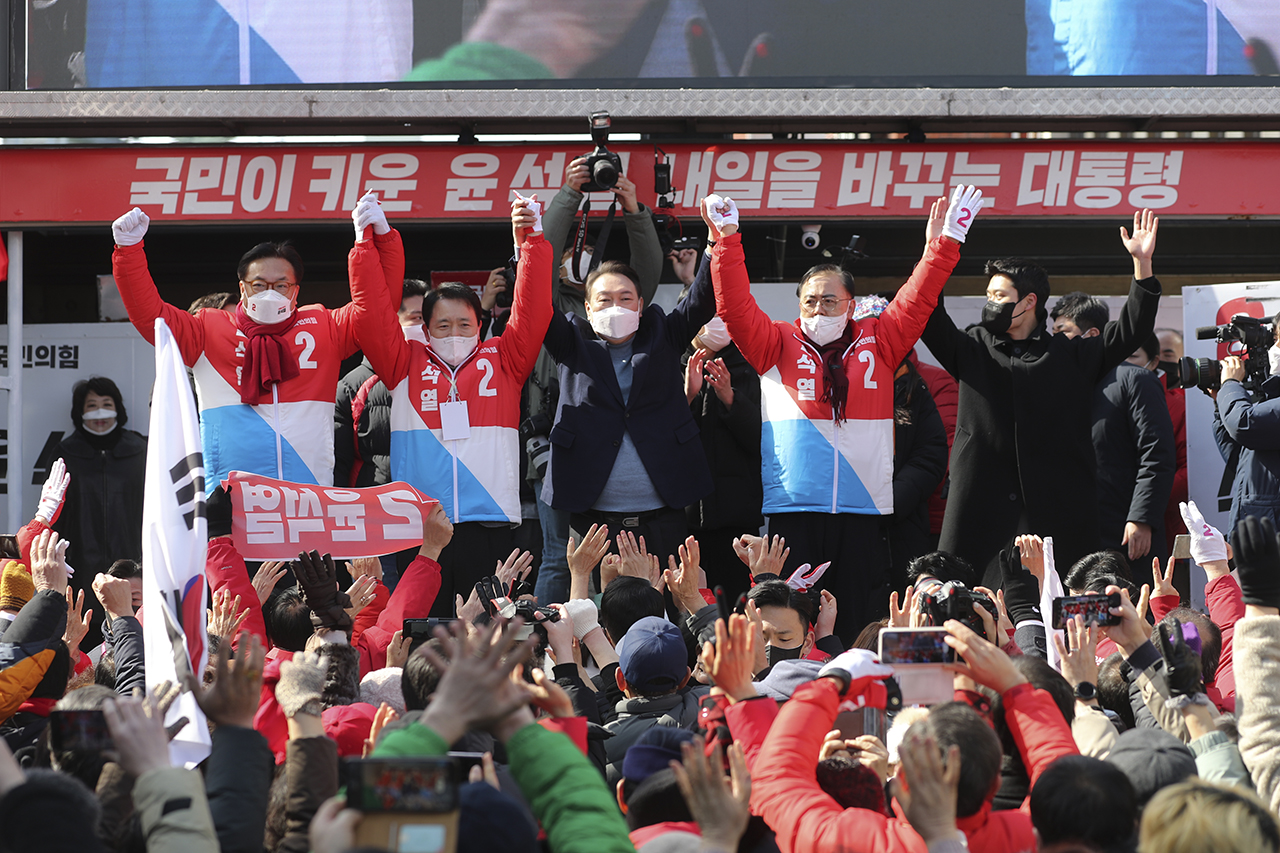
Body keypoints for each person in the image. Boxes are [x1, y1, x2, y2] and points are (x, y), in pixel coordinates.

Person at [709, 186, 981, 637]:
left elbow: (918, 299)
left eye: (829, 300)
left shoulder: (881, 341)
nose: (819, 308)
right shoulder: (775, 343)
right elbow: (734, 309)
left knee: (855, 615)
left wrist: (945, 242)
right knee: (790, 616)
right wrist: (727, 241)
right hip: (794, 508)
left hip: (862, 510)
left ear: (850, 305)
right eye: (810, 301)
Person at [920, 210, 1163, 587]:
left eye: (1000, 296)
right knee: (971, 597)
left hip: (1059, 508)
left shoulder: (1070, 354)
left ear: (1029, 301)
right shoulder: (973, 347)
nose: (991, 303)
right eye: (989, 295)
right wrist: (932, 254)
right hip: (980, 505)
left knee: (1063, 597)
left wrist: (1142, 265)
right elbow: (928, 314)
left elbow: (1132, 329)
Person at [109, 192, 404, 489]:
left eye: (281, 285)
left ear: (296, 291)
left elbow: (378, 311)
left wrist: (379, 243)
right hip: (230, 497)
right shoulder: (208, 329)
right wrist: (129, 251)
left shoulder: (324, 326)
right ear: (243, 288)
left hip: (309, 493)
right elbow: (152, 317)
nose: (269, 293)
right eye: (259, 284)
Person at [348, 197, 552, 616]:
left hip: (490, 522)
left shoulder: (505, 360)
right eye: (443, 325)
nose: (454, 333)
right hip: (423, 526)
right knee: (423, 631)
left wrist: (530, 242)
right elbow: (372, 317)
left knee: (489, 632)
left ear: (480, 325)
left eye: (464, 324)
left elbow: (534, 310)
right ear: (425, 330)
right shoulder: (403, 363)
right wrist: (369, 246)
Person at [529, 160, 663, 606]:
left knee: (627, 561)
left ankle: (624, 632)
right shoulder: (555, 311)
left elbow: (646, 270)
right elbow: (538, 260)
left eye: (590, 252)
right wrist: (569, 196)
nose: (581, 258)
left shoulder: (622, 308)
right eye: (574, 252)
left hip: (615, 453)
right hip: (555, 444)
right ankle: (557, 637)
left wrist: (634, 210)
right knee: (560, 556)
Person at [541, 245, 716, 568]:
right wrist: (526, 247)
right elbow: (535, 304)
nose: (615, 307)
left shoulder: (664, 334)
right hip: (593, 517)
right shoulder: (571, 343)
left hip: (663, 513)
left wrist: (715, 245)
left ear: (640, 305)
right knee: (594, 598)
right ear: (588, 308)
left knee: (669, 592)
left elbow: (702, 299)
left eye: (625, 298)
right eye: (605, 300)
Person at [1056, 297, 1177, 571]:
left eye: (1063, 330)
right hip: (1072, 531)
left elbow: (1156, 454)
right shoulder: (1059, 383)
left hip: (1124, 530)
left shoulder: (1134, 379)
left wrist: (1142, 518)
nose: (1056, 340)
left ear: (1091, 334)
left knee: (1132, 596)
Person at [333, 277, 428, 590]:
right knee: (382, 598)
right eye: (415, 318)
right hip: (375, 518)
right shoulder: (351, 385)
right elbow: (339, 464)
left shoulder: (442, 376)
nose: (423, 327)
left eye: (427, 319)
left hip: (429, 515)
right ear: (390, 322)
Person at [52, 377, 146, 648]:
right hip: (80, 569)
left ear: (118, 409)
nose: (100, 413)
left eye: (107, 404)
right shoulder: (65, 453)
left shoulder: (140, 450)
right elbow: (55, 516)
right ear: (80, 412)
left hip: (132, 569)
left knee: (131, 638)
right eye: (91, 406)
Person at [684, 314, 763, 603]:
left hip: (736, 513)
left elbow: (759, 439)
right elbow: (661, 439)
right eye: (707, 316)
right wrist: (688, 396)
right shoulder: (673, 362)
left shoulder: (749, 364)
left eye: (721, 317)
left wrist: (730, 398)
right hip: (686, 516)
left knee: (739, 602)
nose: (715, 324)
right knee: (692, 602)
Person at [1214, 336, 1280, 540]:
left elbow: (1243, 424)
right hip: (1254, 539)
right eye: (1275, 339)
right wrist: (1220, 402)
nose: (1276, 347)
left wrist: (1231, 384)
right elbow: (1240, 460)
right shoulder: (1271, 400)